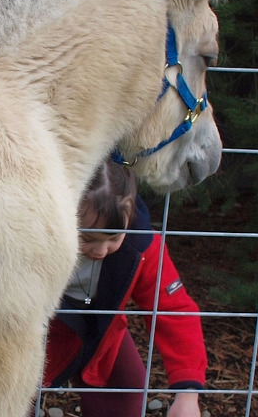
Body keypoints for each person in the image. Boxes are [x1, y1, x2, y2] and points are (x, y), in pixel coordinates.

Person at [43, 161, 207, 417]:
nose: (100, 250)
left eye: (114, 238)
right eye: (88, 238)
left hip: (103, 333)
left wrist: (187, 393)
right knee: (9, 396)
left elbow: (174, 310)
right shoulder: (36, 240)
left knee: (128, 390)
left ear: (129, 222)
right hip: (41, 335)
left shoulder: (142, 247)